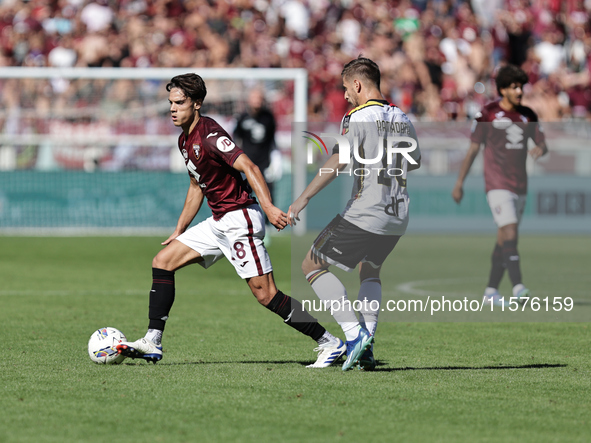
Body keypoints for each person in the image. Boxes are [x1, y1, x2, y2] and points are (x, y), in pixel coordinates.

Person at [117, 73, 343, 368]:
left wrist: (269, 207)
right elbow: (196, 186)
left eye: (180, 103)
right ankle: (152, 341)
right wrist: (179, 229)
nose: (173, 108)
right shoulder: (184, 140)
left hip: (240, 219)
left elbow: (248, 165)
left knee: (266, 294)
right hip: (219, 221)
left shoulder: (210, 134)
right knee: (163, 261)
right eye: (170, 103)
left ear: (196, 104)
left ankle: (330, 343)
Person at [288, 57, 422, 371]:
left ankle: (354, 335)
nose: (346, 95)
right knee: (369, 270)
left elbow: (340, 161)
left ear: (358, 85)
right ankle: (368, 345)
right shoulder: (402, 116)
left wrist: (303, 197)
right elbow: (414, 160)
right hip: (398, 212)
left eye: (347, 89)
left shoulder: (357, 116)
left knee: (312, 263)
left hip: (368, 209)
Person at [452, 64, 548, 307]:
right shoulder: (487, 114)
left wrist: (540, 148)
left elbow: (542, 142)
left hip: (520, 184)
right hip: (496, 183)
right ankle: (518, 287)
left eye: (521, 86)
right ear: (503, 89)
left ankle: (491, 291)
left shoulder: (528, 115)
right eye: (514, 87)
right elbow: (473, 149)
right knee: (511, 233)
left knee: (504, 238)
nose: (519, 91)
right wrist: (460, 182)